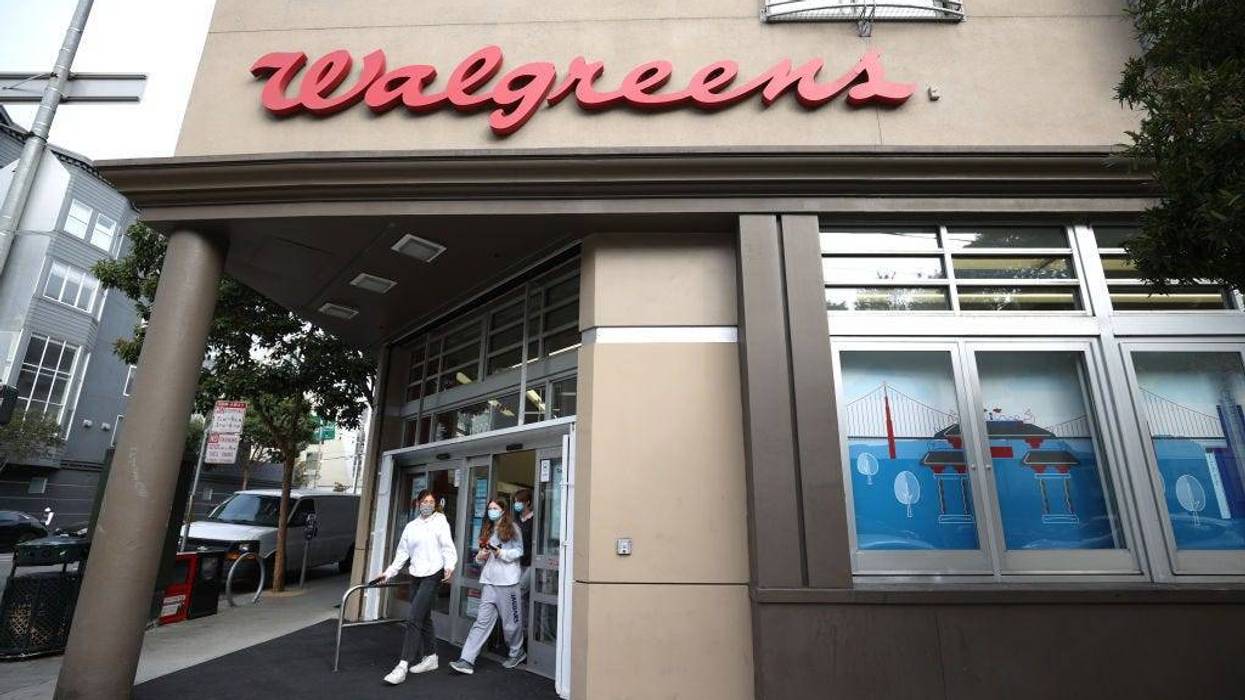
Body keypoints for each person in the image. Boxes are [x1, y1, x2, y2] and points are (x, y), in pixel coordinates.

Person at [380, 489, 457, 686]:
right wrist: (388, 573)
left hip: (433, 574)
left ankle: (402, 666)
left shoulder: (440, 521)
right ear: (418, 503)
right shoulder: (411, 527)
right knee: (424, 617)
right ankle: (431, 657)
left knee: (414, 618)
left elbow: (447, 545)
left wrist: (449, 565)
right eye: (425, 501)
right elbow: (402, 553)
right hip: (416, 574)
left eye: (431, 502)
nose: (428, 505)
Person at [449, 497, 525, 675]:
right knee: (481, 622)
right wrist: (481, 556)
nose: (492, 511)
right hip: (490, 581)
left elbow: (519, 551)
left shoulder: (513, 528)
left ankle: (517, 652)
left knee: (510, 624)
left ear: (503, 510)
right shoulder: (488, 529)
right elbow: (479, 557)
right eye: (490, 508)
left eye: (495, 508)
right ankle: (466, 659)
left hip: (508, 582)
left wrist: (500, 552)